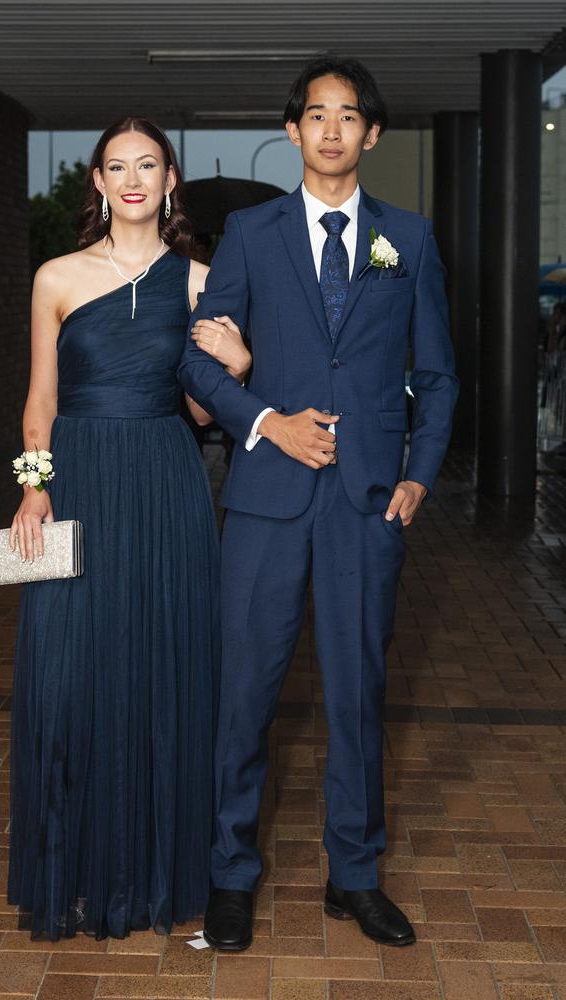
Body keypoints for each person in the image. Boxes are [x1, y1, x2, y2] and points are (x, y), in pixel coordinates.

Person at [180, 55, 458, 951]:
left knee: (358, 698)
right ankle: (229, 873)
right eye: (316, 113)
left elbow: (439, 376)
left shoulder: (407, 240)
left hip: (367, 505)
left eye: (349, 115)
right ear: (293, 130)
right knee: (244, 696)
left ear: (371, 135)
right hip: (265, 503)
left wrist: (419, 474)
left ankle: (355, 875)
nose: (331, 128)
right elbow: (196, 362)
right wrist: (267, 420)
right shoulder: (250, 235)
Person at [7, 117, 250, 940]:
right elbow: (40, 399)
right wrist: (34, 486)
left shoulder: (202, 282)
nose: (135, 177)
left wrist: (235, 369)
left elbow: (197, 407)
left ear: (169, 178)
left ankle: (152, 870)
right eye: (119, 165)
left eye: (149, 163)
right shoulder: (56, 277)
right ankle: (73, 868)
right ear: (99, 184)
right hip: (75, 478)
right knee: (68, 671)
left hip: (165, 483)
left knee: (161, 663)